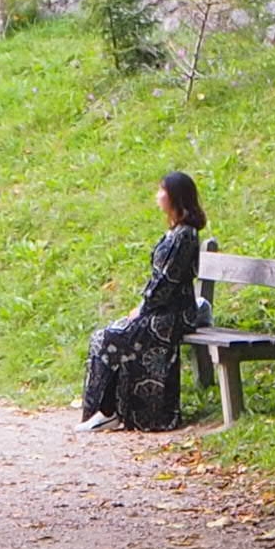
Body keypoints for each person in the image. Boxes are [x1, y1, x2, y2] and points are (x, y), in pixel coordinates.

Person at [76, 171, 206, 433]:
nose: (158, 196)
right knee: (108, 334)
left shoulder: (184, 236)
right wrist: (143, 307)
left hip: (173, 315)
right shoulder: (177, 233)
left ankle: (110, 412)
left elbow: (167, 282)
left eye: (162, 190)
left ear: (175, 197)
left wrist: (143, 309)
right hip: (162, 311)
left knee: (108, 337)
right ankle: (111, 410)